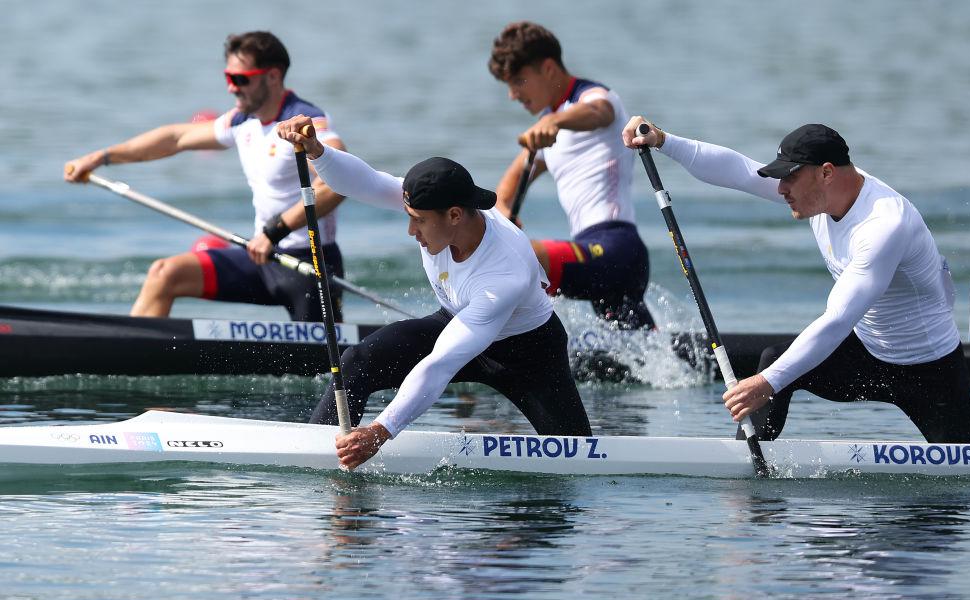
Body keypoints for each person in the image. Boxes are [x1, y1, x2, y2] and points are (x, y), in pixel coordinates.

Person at [623, 118, 970, 444]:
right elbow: (738, 171)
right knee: (775, 358)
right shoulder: (815, 193)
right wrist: (664, 141)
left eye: (790, 176)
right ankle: (748, 478)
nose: (781, 189)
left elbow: (837, 320)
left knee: (961, 492)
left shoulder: (883, 225)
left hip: (930, 370)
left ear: (826, 172)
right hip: (867, 356)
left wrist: (766, 383)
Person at [277, 115, 592, 470]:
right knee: (357, 362)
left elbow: (440, 365)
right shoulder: (434, 205)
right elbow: (363, 182)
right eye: (409, 215)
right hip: (456, 320)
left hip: (528, 352)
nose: (411, 230)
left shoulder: (505, 273)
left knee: (577, 458)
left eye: (419, 220)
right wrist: (317, 152)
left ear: (455, 215)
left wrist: (381, 431)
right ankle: (315, 455)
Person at [64, 31, 347, 321]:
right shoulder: (242, 120)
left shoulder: (303, 121)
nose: (231, 88)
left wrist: (274, 232)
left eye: (241, 79)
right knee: (166, 273)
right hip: (262, 257)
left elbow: (337, 184)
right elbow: (174, 138)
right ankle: (128, 349)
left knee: (335, 365)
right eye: (228, 77)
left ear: (273, 76)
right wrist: (101, 157)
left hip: (310, 266)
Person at [488, 21, 654, 330]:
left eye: (518, 81)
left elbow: (598, 112)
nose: (512, 94)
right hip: (592, 256)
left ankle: (481, 331)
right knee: (646, 353)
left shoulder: (595, 99)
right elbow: (510, 184)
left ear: (548, 69)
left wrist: (558, 121)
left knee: (521, 257)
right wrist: (503, 215)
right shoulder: (548, 125)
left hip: (617, 250)